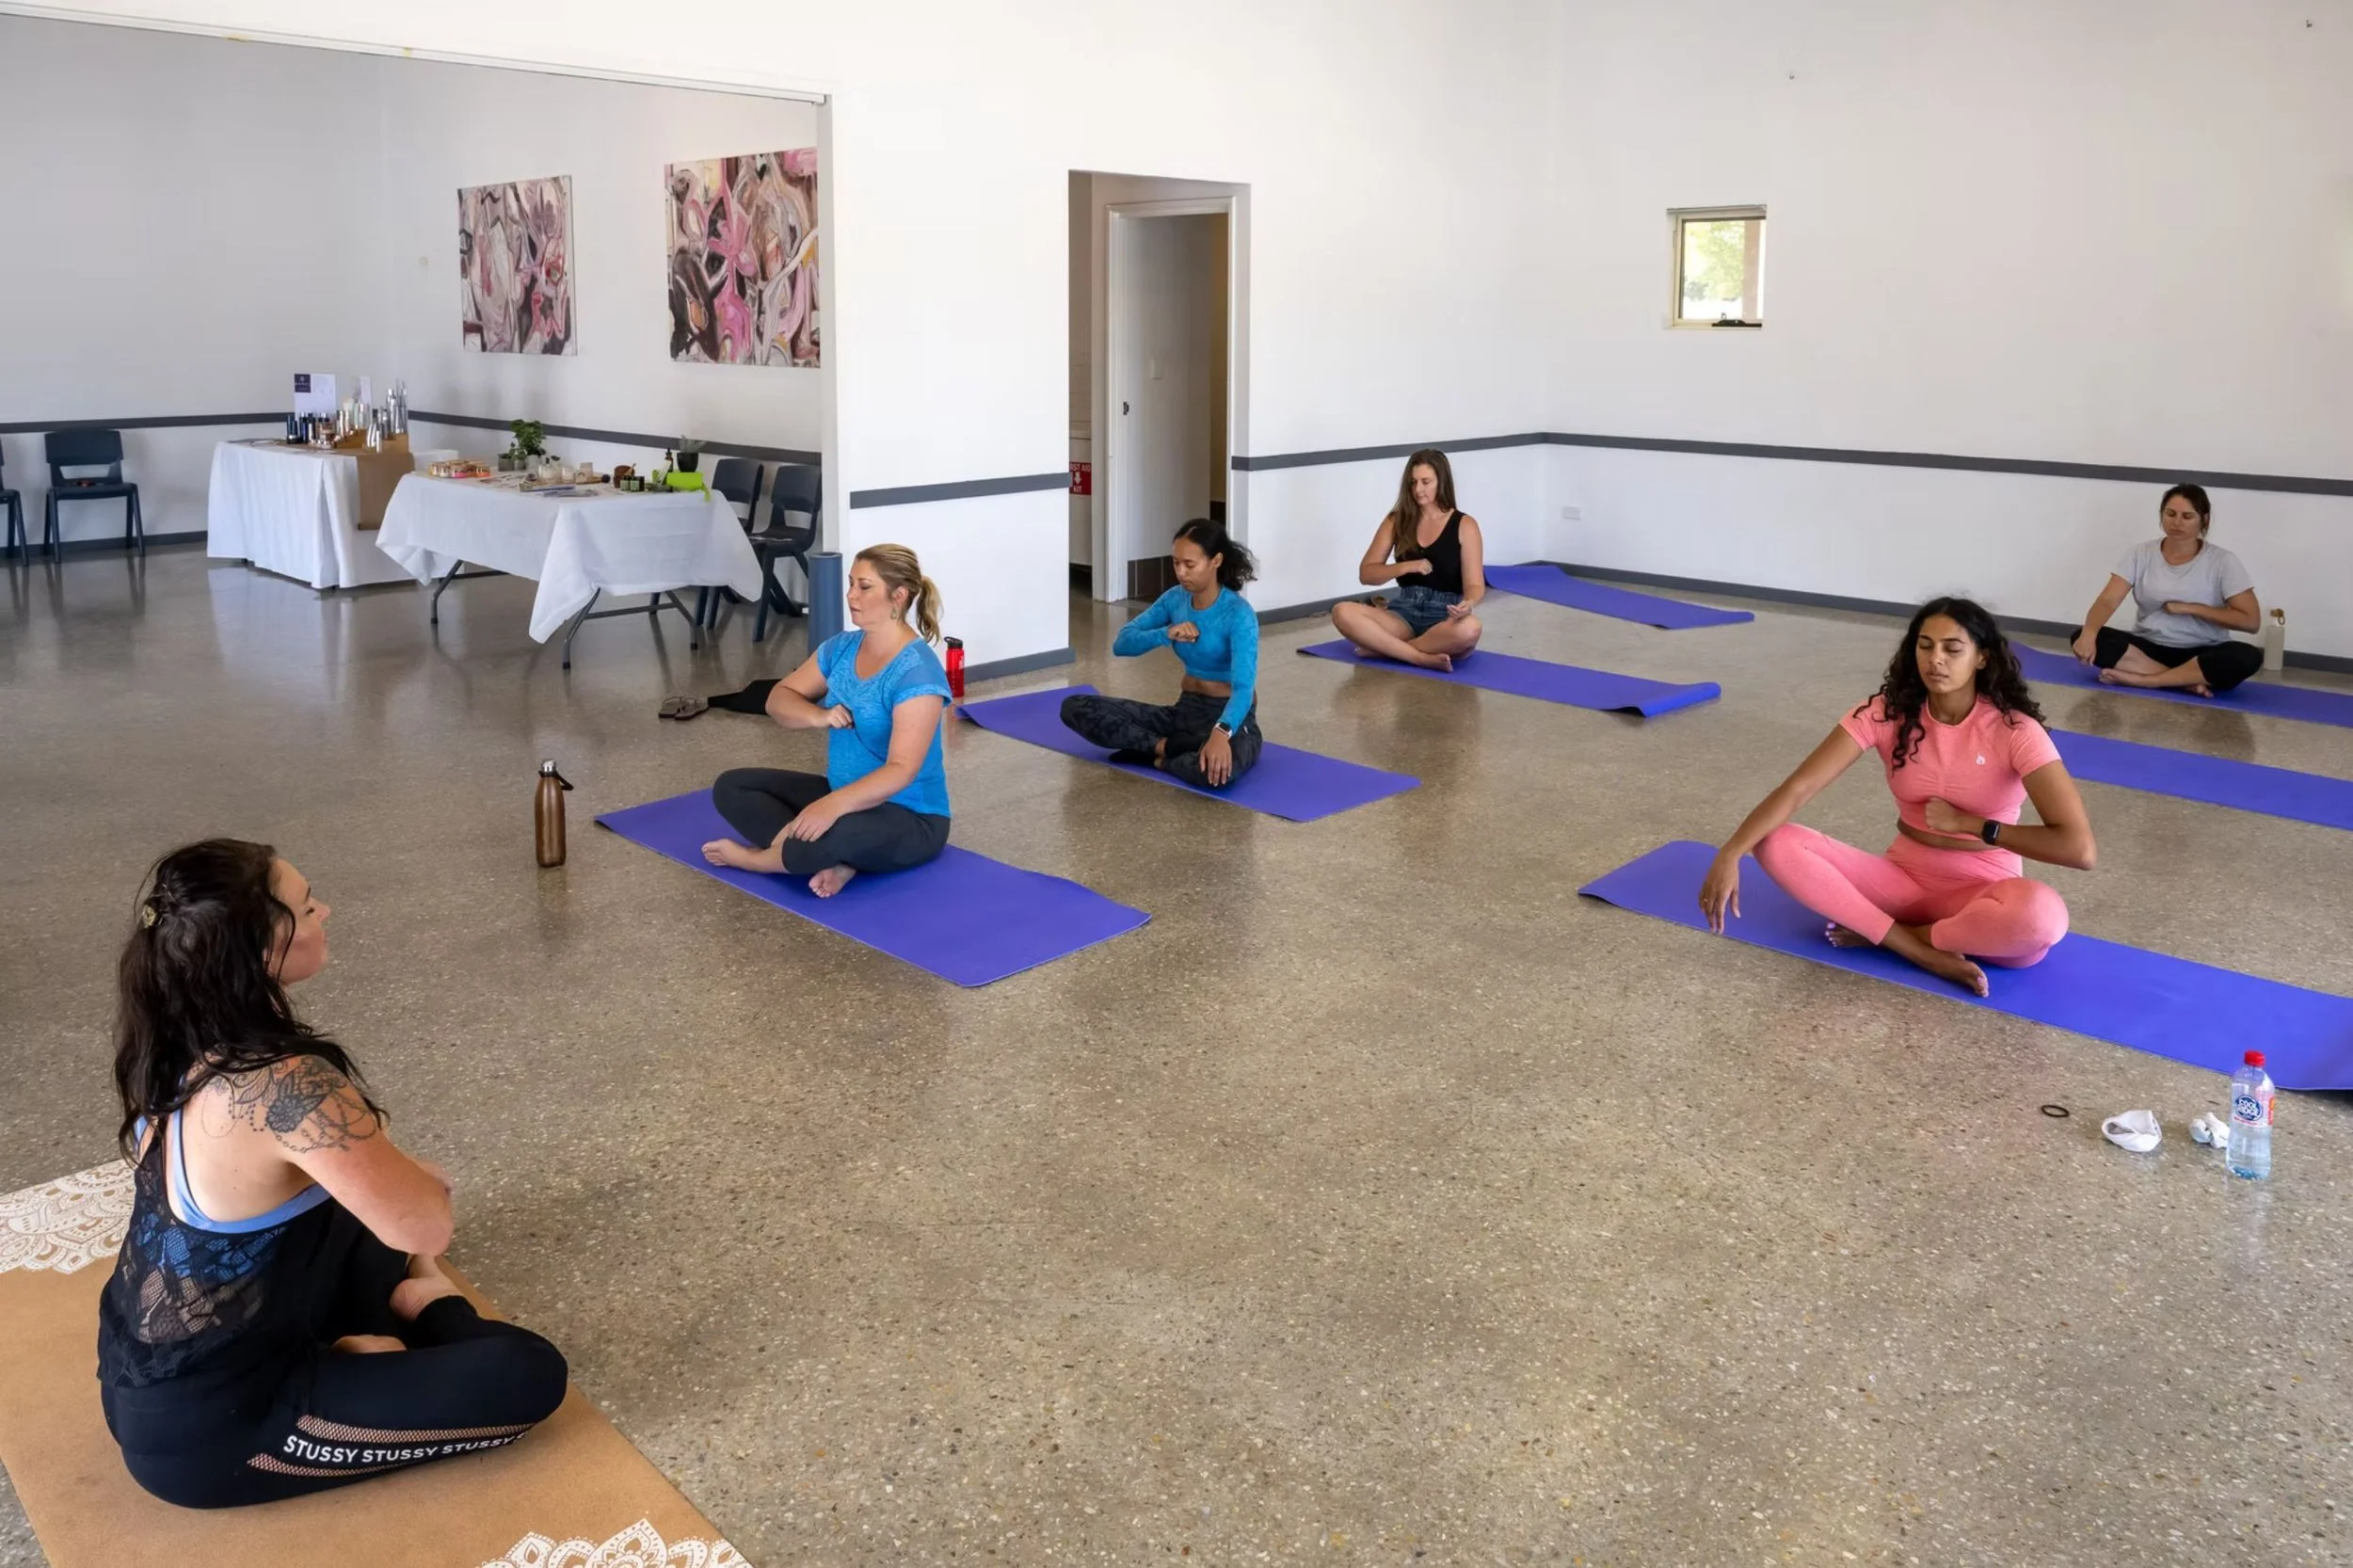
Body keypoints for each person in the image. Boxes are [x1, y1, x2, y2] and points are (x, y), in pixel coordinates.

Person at [97, 840, 568, 1510]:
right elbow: (429, 1225)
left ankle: (356, 1345)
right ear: (263, 950)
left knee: (365, 1213)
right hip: (217, 1434)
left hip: (156, 1377)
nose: (326, 911)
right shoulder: (287, 1083)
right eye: (308, 904)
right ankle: (428, 1305)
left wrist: (395, 1177)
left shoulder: (177, 1036)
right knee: (528, 1374)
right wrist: (418, 1213)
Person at [1698, 598, 2096, 998]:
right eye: (1925, 646)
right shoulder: (1885, 712)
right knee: (1773, 840)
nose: (1936, 659)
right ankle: (1918, 949)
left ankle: (1895, 933)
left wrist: (1971, 825)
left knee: (2040, 921)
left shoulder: (2016, 731)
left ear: (1982, 657)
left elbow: (2078, 849)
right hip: (1900, 884)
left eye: (1952, 649)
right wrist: (1731, 852)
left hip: (1981, 893)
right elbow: (1798, 787)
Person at [702, 544, 952, 896]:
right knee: (732, 786)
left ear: (898, 596)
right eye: (851, 583)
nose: (851, 595)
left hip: (910, 816)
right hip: (843, 793)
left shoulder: (917, 672)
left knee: (826, 833)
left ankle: (759, 860)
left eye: (864, 587)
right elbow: (778, 699)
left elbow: (901, 770)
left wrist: (831, 807)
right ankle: (831, 860)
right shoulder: (841, 648)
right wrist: (819, 716)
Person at [1060, 518, 1264, 790]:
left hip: (1231, 716)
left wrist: (1221, 732)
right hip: (1184, 711)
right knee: (1074, 707)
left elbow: (1243, 688)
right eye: (1176, 563)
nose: (1181, 572)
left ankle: (1157, 759)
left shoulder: (1239, 614)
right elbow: (1122, 644)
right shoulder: (1174, 599)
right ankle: (1166, 747)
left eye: (1189, 564)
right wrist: (1165, 633)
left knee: (1218, 774)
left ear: (1215, 561)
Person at [2070, 483, 2263, 696]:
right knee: (2082, 635)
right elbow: (2108, 600)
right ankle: (2184, 682)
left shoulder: (2223, 561)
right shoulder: (2140, 553)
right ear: (2161, 515)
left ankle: (2146, 680)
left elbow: (2251, 621)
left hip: (2202, 652)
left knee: (2247, 656)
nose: (2177, 522)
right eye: (2170, 514)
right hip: (2149, 650)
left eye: (2187, 516)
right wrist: (2089, 633)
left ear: (2204, 520)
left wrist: (2192, 608)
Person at [1329, 448, 1486, 670]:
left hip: (1443, 616)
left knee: (1470, 629)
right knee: (1342, 611)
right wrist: (1406, 566)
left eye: (1426, 482)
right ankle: (1419, 657)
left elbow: (1475, 585)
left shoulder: (1465, 525)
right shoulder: (1395, 521)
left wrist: (1468, 604)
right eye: (1413, 483)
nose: (1418, 489)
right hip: (1402, 614)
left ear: (1442, 482)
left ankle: (1387, 650)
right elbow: (1367, 574)